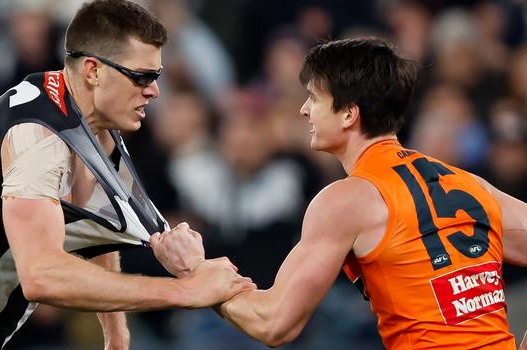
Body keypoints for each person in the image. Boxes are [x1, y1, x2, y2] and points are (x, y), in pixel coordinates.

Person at [0, 0, 254, 350]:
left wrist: (116, 334)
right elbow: (42, 276)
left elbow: (89, 223)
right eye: (141, 76)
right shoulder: (38, 139)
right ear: (93, 71)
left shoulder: (72, 109)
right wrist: (184, 293)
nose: (154, 90)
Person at [152, 38, 527, 349]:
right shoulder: (470, 184)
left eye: (313, 98)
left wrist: (196, 271)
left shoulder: (346, 200)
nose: (303, 110)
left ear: (349, 113)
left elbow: (273, 323)